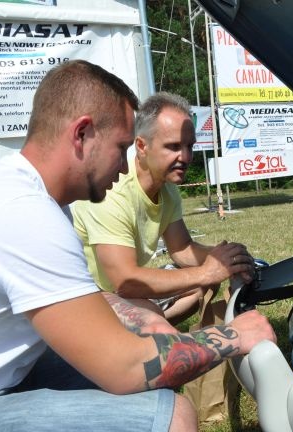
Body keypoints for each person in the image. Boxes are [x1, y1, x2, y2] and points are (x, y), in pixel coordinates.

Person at [0, 60, 276, 432]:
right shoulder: (24, 216)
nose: (126, 168)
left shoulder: (21, 194)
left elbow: (79, 294)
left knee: (153, 352)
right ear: (82, 134)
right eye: (122, 148)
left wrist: (142, 319)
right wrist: (234, 334)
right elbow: (124, 369)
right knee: (172, 415)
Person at [71, 92, 256, 326]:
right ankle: (145, 331)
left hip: (119, 290)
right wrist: (207, 271)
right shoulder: (112, 193)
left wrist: (226, 259)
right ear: (141, 146)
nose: (186, 157)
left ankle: (148, 330)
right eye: (173, 146)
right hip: (85, 298)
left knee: (202, 286)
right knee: (155, 313)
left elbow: (181, 249)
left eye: (190, 146)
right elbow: (124, 280)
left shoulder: (167, 189)